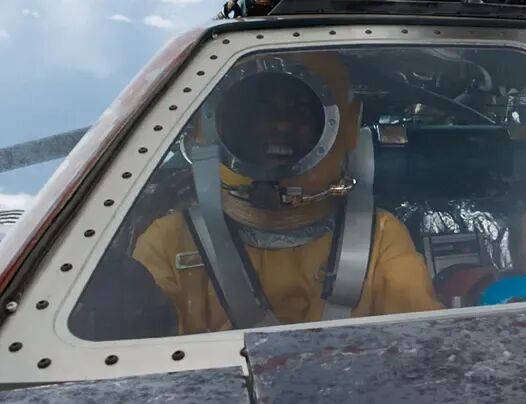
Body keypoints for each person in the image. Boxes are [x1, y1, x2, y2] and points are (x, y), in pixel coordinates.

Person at [133, 53, 442, 334]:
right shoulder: (169, 241)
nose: (281, 124)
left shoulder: (380, 236)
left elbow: (421, 338)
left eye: (301, 111)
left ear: (342, 130)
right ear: (223, 125)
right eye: (261, 109)